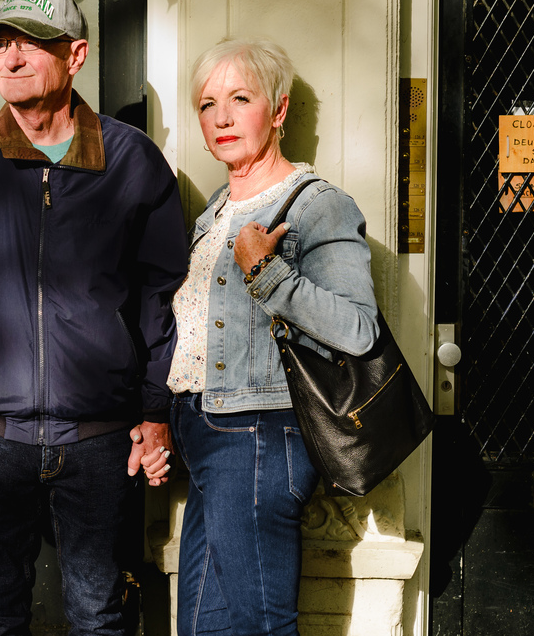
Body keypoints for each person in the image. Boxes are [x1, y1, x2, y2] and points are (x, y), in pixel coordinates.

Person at [0, 0, 188, 636]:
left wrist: (154, 410)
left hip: (101, 440)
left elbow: (164, 297)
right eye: (0, 43)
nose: (10, 57)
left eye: (29, 42)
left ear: (75, 55)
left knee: (99, 610)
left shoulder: (131, 162)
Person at [168, 38, 380, 636]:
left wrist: (268, 273)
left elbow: (357, 329)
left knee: (259, 625)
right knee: (205, 629)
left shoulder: (318, 207)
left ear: (279, 111)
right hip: (203, 434)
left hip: (257, 437)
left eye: (241, 98)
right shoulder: (211, 215)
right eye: (208, 104)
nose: (223, 117)